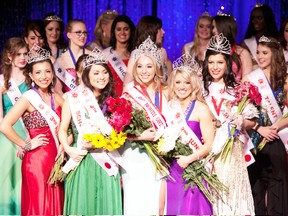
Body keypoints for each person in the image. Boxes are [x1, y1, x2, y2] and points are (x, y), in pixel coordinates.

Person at [0, 44, 64, 215]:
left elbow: (69, 128)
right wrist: (26, 144)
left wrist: (65, 145)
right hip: (36, 161)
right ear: (31, 75)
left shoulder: (58, 98)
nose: (44, 76)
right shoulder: (27, 98)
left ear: (52, 73)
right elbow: (4, 126)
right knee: (39, 205)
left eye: (47, 71)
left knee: (57, 203)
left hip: (57, 159)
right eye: (38, 72)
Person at [58, 48, 122, 215]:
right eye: (96, 73)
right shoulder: (72, 99)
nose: (101, 77)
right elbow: (62, 129)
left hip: (106, 161)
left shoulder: (114, 102)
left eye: (104, 72)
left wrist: (109, 142)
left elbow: (118, 134)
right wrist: (68, 148)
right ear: (86, 75)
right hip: (82, 160)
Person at [202, 33, 255, 215]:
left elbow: (252, 120)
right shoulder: (200, 90)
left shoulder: (236, 91)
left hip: (231, 153)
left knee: (232, 198)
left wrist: (242, 121)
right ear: (206, 64)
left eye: (220, 62)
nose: (215, 67)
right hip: (206, 151)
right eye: (211, 62)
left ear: (227, 64)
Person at [120, 36, 169, 215]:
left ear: (156, 68)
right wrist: (140, 136)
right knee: (135, 202)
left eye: (149, 66)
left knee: (156, 206)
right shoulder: (128, 94)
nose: (144, 71)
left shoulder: (166, 91)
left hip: (160, 154)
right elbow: (118, 131)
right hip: (134, 155)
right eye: (139, 66)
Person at [243, 35, 288, 215]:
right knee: (257, 185)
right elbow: (243, 110)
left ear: (274, 54)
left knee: (278, 183)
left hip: (276, 137)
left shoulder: (284, 80)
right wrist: (259, 128)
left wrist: (275, 127)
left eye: (264, 53)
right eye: (258, 53)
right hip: (255, 139)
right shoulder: (250, 78)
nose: (259, 56)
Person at [165, 54, 215, 215]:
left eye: (187, 82)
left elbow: (209, 145)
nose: (182, 86)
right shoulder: (168, 107)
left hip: (194, 169)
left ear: (193, 85)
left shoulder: (201, 108)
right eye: (178, 82)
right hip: (172, 170)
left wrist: (189, 159)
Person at [0, 37, 28, 215]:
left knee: (23, 182)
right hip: (6, 137)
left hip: (28, 133)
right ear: (9, 56)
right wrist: (18, 142)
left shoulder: (32, 78)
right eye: (18, 54)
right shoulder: (2, 81)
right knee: (7, 182)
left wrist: (26, 140)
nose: (23, 58)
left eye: (25, 54)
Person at [124, 15, 172, 86]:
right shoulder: (136, 53)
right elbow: (127, 82)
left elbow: (168, 78)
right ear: (151, 31)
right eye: (159, 29)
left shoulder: (163, 51)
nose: (163, 32)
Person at [212, 14, 253, 82]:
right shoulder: (211, 51)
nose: (214, 30)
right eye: (213, 27)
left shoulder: (242, 53)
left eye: (217, 27)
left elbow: (247, 83)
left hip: (236, 91)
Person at [54, 19, 90, 94]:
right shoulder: (60, 61)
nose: (83, 36)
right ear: (69, 35)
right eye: (78, 32)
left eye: (84, 33)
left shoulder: (92, 56)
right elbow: (58, 91)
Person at [103, 15, 135, 97]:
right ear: (114, 32)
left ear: (131, 31)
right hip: (111, 100)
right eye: (118, 29)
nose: (122, 33)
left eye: (126, 29)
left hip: (133, 99)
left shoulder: (136, 54)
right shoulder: (105, 54)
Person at [241, 4, 278, 69]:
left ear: (267, 19)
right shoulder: (246, 44)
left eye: (259, 18)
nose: (255, 21)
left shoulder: (277, 41)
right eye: (253, 18)